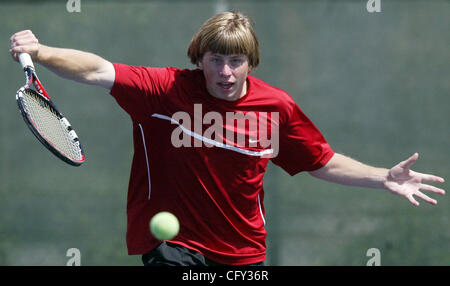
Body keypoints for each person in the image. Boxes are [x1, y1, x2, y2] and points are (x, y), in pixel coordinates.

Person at [9, 11, 445, 266]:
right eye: (215, 59)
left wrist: (382, 177)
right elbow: (96, 69)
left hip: (244, 255)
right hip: (174, 248)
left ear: (250, 62)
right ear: (200, 59)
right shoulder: (164, 89)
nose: (224, 72)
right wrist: (43, 52)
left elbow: (321, 160)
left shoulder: (277, 108)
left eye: (235, 61)